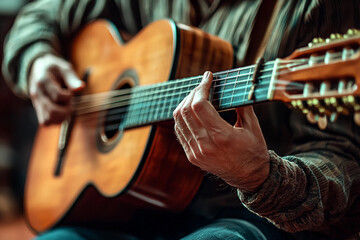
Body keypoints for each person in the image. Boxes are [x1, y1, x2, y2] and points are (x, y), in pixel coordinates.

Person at [2, 0, 360, 239]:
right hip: (125, 211)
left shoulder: (314, 8)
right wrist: (37, 63)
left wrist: (258, 175)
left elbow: (344, 163)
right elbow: (38, 16)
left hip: (243, 217)